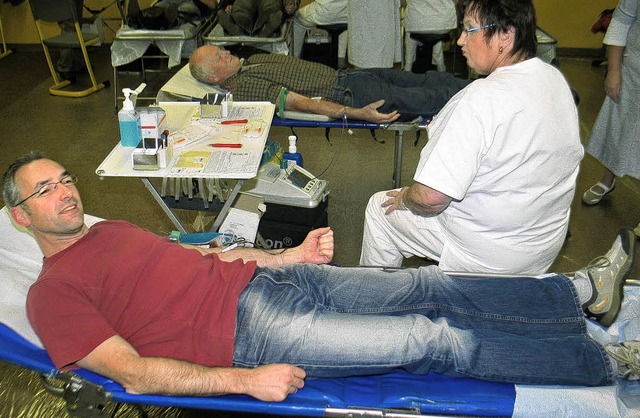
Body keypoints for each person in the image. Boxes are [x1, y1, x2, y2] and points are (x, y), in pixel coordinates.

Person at [3, 152, 640, 402]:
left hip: (273, 284)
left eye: (65, 180)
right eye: (45, 189)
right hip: (250, 335)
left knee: (429, 285)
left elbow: (205, 259)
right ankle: (608, 365)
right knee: (429, 338)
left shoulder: (112, 229)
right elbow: (135, 374)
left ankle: (580, 292)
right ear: (19, 215)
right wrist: (245, 382)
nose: (65, 193)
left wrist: (288, 258)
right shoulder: (51, 295)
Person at [360, 0, 584, 274]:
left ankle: (372, 300)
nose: (462, 40)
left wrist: (406, 196)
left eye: (470, 29)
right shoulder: (554, 79)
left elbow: (431, 197)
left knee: (380, 208)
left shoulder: (479, 98)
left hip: (490, 255)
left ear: (505, 35)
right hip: (542, 247)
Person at [188, 45, 470, 123]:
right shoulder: (243, 87)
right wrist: (356, 113)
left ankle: (486, 84)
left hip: (351, 76)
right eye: (219, 56)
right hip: (350, 93)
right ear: (214, 78)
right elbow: (301, 103)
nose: (226, 52)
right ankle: (485, 93)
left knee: (431, 79)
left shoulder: (251, 60)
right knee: (430, 98)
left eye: (221, 49)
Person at [582, 0, 640, 206]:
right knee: (619, 127)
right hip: (634, 71)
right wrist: (614, 70)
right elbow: (622, 20)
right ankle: (608, 179)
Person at [403, 0, 458, 72]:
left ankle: (408, 65)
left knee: (410, 30)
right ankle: (440, 65)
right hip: (443, 23)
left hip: (416, 23)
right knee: (437, 30)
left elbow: (403, 3)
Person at [216, 0, 298, 38]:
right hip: (244, 15)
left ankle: (262, 32)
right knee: (241, 7)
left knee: (270, 7)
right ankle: (240, 31)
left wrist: (291, 4)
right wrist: (228, 5)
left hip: (268, 15)